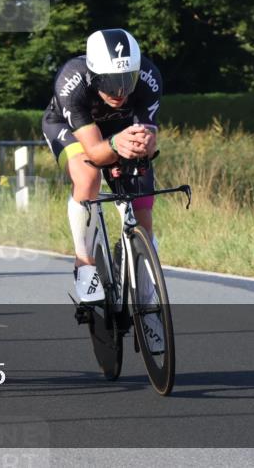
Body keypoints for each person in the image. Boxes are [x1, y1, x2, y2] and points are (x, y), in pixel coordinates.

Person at [42, 29, 164, 321]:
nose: (119, 92)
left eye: (127, 81)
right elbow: (96, 152)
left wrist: (143, 145)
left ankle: (146, 296)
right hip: (70, 130)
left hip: (119, 131)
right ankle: (84, 262)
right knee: (88, 177)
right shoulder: (71, 80)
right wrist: (115, 148)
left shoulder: (149, 76)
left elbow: (148, 138)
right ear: (94, 75)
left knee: (142, 202)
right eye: (110, 82)